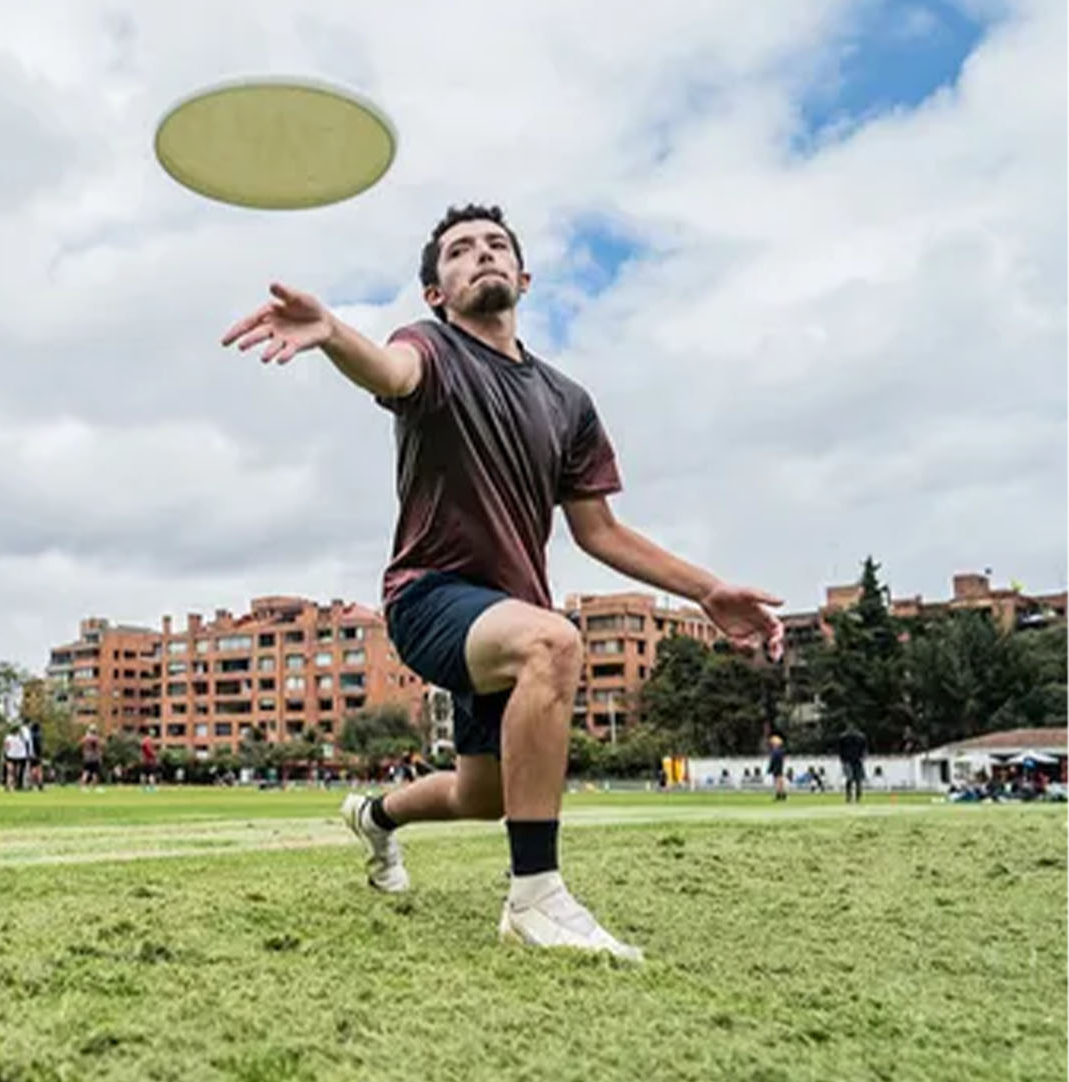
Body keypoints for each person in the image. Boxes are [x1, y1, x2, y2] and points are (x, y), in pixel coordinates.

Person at [221, 204, 784, 962]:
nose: (480, 255)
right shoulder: (429, 349)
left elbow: (601, 532)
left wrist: (707, 591)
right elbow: (390, 372)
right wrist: (331, 335)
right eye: (459, 251)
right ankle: (536, 899)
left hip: (506, 613)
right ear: (435, 292)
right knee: (553, 642)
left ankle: (377, 817)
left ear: (523, 275)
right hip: (428, 597)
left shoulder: (568, 402)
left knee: (483, 794)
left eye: (496, 246)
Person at [837, 725, 868, 803]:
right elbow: (864, 749)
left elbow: (840, 750)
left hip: (851, 760)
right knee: (855, 779)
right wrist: (863, 756)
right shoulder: (861, 737)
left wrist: (842, 759)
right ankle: (853, 796)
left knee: (853, 779)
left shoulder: (843, 737)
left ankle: (853, 796)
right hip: (854, 760)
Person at [1, 725, 28, 792]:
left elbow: (6, 747)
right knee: (13, 772)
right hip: (19, 756)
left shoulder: (9, 737)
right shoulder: (21, 737)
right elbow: (6, 747)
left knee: (11, 772)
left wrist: (4, 755)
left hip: (12, 756)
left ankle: (10, 785)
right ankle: (11, 785)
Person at [767, 733, 788, 802]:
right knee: (780, 782)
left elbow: (772, 761)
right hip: (779, 768)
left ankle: (779, 795)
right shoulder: (781, 751)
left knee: (777, 782)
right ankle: (782, 794)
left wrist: (769, 769)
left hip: (776, 768)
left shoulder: (775, 752)